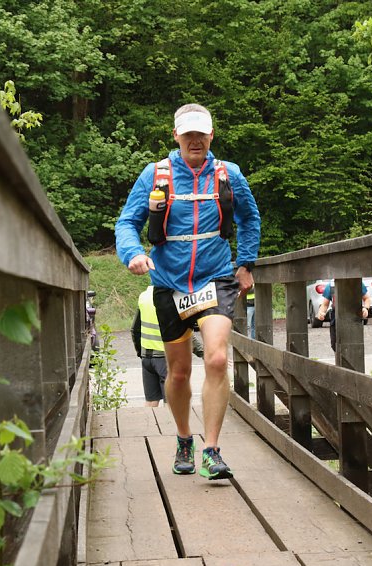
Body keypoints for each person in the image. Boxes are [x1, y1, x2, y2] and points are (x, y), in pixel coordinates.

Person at [115, 103, 260, 480]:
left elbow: (248, 217)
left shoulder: (228, 174)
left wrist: (245, 262)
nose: (195, 140)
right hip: (169, 282)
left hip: (215, 277)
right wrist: (132, 254)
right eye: (188, 134)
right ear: (175, 135)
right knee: (178, 373)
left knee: (215, 359)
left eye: (202, 133)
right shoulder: (155, 174)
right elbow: (127, 222)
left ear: (212, 135)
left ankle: (212, 450)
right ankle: (184, 439)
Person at [132, 285, 204, 407]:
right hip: (165, 358)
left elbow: (135, 329)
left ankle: (149, 426)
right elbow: (184, 333)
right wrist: (204, 353)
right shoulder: (170, 297)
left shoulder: (143, 296)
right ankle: (170, 426)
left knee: (151, 401)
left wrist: (141, 352)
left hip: (147, 358)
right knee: (171, 402)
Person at [315, 280, 371, 352]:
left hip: (354, 317)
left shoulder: (357, 282)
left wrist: (366, 308)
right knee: (335, 345)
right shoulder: (331, 285)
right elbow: (325, 304)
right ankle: (340, 361)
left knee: (354, 344)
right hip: (336, 319)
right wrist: (321, 312)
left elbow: (367, 298)